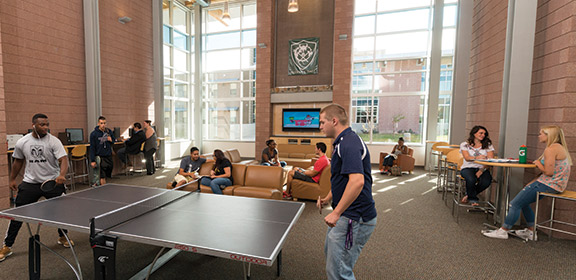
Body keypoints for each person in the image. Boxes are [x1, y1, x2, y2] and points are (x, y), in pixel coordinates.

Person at [0, 114, 74, 262]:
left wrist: (61, 175)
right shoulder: (23, 142)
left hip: (52, 183)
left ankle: (63, 236)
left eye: (47, 124)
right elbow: (18, 161)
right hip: (30, 184)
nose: (46, 127)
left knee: (61, 212)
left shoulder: (54, 141)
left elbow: (63, 159)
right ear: (33, 125)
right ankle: (7, 246)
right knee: (17, 214)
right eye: (42, 125)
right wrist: (12, 178)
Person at [316, 104, 377, 280]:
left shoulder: (348, 143)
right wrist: (329, 197)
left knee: (339, 272)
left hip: (354, 218)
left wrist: (335, 213)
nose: (320, 127)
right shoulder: (342, 142)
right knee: (332, 260)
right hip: (347, 215)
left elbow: (357, 182)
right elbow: (343, 180)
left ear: (334, 121)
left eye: (322, 122)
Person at [483, 125, 572, 240]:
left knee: (514, 204)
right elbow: (548, 174)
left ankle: (503, 231)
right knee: (523, 203)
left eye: (541, 133)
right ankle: (530, 232)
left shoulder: (550, 149)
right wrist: (532, 182)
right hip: (555, 185)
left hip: (548, 184)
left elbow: (549, 172)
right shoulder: (558, 147)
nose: (539, 136)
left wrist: (538, 163)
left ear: (549, 135)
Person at [460, 125, 495, 206]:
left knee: (486, 181)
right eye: (481, 133)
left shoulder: (488, 145)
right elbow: (467, 158)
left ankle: (469, 195)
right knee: (471, 179)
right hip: (467, 168)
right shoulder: (465, 144)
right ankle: (473, 199)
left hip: (482, 168)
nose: (483, 135)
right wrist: (477, 157)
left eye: (484, 133)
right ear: (474, 133)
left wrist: (481, 170)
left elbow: (490, 160)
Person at [89, 116, 116, 186]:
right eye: (101, 123)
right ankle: (102, 188)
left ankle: (99, 184)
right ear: (98, 123)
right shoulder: (94, 134)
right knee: (102, 175)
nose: (103, 125)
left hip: (108, 155)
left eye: (104, 123)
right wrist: (92, 160)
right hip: (100, 157)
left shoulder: (109, 132)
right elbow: (92, 148)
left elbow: (113, 141)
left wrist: (111, 140)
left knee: (109, 171)